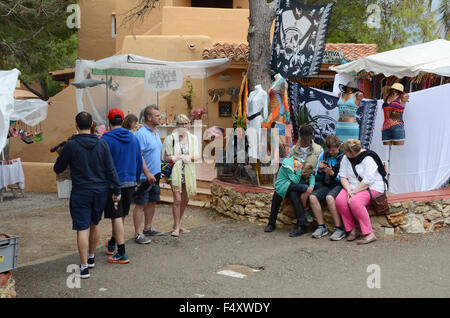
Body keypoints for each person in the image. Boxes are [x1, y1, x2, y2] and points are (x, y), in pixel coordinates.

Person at [53, 111, 121, 279]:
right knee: (95, 224)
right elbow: (110, 169)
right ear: (92, 125)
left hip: (80, 191)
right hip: (100, 191)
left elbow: (58, 168)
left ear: (76, 125)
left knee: (81, 228)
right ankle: (91, 257)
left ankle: (83, 267)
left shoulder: (71, 145)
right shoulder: (102, 144)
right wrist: (117, 190)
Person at [102, 109, 142, 263]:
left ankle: (122, 253)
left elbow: (102, 163)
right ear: (123, 120)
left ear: (109, 121)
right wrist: (136, 181)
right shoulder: (133, 138)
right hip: (131, 181)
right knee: (120, 216)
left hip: (114, 184)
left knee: (117, 217)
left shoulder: (106, 139)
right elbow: (139, 161)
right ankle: (112, 243)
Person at [335, 139, 387, 245]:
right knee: (340, 200)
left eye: (345, 152)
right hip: (352, 186)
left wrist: (354, 193)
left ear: (352, 153)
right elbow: (343, 176)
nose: (344, 154)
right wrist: (349, 190)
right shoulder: (346, 158)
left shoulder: (368, 158)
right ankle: (352, 230)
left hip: (372, 186)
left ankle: (369, 234)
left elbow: (368, 181)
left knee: (355, 202)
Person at [163, 114, 200, 237]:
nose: (183, 126)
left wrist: (189, 157)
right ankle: (177, 228)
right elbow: (166, 157)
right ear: (176, 125)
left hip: (188, 172)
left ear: (189, 125)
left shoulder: (193, 138)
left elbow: (197, 156)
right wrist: (178, 157)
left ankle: (177, 224)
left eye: (185, 124)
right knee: (177, 199)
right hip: (175, 172)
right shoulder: (170, 139)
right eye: (180, 124)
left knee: (186, 199)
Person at [133, 105, 164, 244]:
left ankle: (148, 228)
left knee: (152, 201)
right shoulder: (141, 134)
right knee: (140, 204)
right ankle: (138, 233)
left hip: (155, 175)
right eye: (157, 116)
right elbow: (139, 156)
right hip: (144, 177)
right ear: (149, 117)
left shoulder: (156, 131)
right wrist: (147, 173)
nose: (160, 118)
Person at [309, 135, 346, 241]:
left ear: (338, 147)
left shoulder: (344, 157)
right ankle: (321, 226)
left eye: (333, 150)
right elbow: (318, 176)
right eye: (329, 150)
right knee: (312, 197)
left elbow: (345, 177)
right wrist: (320, 171)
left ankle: (339, 228)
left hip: (339, 184)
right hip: (326, 184)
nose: (331, 152)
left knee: (330, 198)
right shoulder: (324, 155)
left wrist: (333, 173)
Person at [264, 156, 309, 238]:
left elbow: (297, 180)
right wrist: (299, 170)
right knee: (277, 195)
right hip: (282, 186)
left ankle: (302, 226)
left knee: (294, 193)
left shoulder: (301, 162)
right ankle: (271, 223)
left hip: (291, 187)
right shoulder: (287, 166)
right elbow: (296, 181)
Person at [289, 125, 323, 206]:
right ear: (300, 136)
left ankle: (303, 213)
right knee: (294, 193)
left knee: (306, 191)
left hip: (313, 179)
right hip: (297, 180)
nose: (305, 141)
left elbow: (320, 169)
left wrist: (314, 172)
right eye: (304, 139)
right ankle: (302, 216)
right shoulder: (293, 150)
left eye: (308, 139)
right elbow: (288, 167)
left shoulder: (319, 149)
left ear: (311, 137)